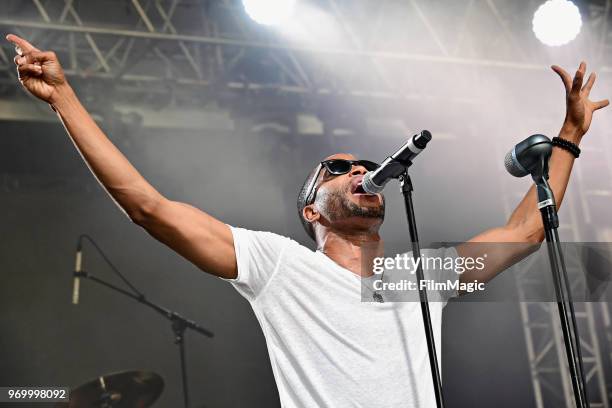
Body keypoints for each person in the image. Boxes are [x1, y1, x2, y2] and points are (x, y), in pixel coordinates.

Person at [6, 33, 609, 407]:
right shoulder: (279, 265)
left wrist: (570, 135)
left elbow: (527, 230)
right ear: (310, 210)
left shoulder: (410, 276)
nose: (360, 171)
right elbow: (149, 208)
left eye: (367, 167)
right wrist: (64, 98)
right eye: (338, 168)